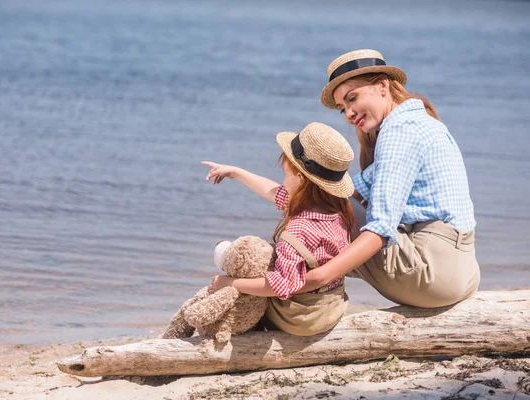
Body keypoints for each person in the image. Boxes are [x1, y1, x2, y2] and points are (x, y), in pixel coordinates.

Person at [298, 49, 479, 308]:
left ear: (383, 86)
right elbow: (346, 190)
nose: (348, 113)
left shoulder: (398, 133)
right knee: (326, 203)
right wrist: (252, 178)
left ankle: (300, 299)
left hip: (431, 275)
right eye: (342, 108)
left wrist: (321, 275)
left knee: (324, 213)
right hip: (463, 272)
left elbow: (380, 229)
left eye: (352, 98)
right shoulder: (420, 122)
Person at [203, 122, 354, 335]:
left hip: (299, 318)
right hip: (330, 309)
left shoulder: (298, 230)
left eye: (285, 175)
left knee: (243, 264)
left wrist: (229, 282)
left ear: (301, 179)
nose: (282, 182)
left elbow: (278, 286)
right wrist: (235, 172)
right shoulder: (336, 211)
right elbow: (270, 190)